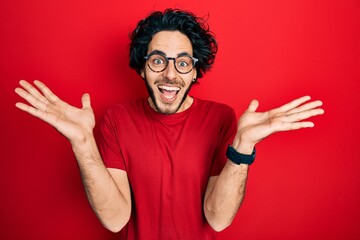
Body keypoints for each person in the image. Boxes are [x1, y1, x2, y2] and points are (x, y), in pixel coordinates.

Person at [15, 8, 324, 240]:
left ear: (194, 72)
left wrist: (243, 147)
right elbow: (115, 219)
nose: (171, 74)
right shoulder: (116, 119)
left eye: (183, 62)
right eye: (158, 60)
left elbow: (218, 219)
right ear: (142, 67)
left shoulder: (221, 118)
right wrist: (83, 144)